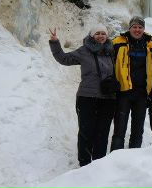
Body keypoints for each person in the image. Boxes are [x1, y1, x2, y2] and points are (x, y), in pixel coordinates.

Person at [49, 24, 116, 167]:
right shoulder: (84, 51)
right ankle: (84, 163)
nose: (100, 36)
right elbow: (64, 59)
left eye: (103, 33)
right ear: (92, 36)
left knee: (102, 132)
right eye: (97, 33)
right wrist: (55, 42)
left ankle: (99, 163)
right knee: (86, 131)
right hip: (87, 97)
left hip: (107, 98)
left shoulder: (111, 51)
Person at [110, 16, 152, 150]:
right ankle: (115, 159)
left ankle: (134, 159)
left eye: (140, 27)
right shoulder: (117, 43)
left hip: (141, 94)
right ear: (129, 28)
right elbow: (107, 63)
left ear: (144, 29)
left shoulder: (151, 46)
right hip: (123, 92)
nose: (137, 30)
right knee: (119, 129)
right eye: (134, 27)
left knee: (138, 129)